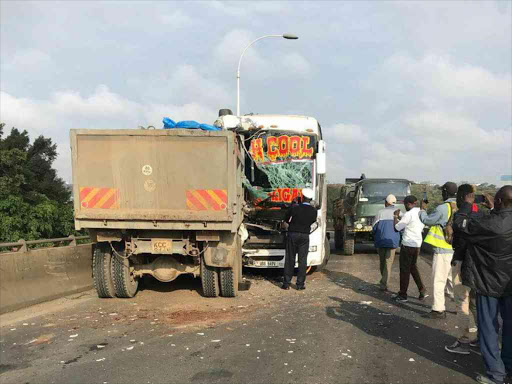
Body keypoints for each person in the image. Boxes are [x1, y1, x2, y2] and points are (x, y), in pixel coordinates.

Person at [453, 185, 512, 384]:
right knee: (509, 327)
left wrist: (467, 206)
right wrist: (495, 207)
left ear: (498, 201)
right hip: (509, 284)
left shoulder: (489, 223)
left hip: (489, 282)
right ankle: (509, 366)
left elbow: (460, 224)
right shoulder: (496, 219)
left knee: (489, 327)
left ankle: (496, 374)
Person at [445, 184, 479, 355]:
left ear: (463, 197)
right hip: (478, 265)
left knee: (462, 302)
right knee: (475, 303)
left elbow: (459, 228)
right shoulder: (481, 213)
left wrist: (464, 206)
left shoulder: (462, 214)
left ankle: (463, 341)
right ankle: (481, 339)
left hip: (462, 261)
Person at [419, 181, 458, 319]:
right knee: (452, 281)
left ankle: (438, 310)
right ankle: (461, 306)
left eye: (442, 191)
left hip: (443, 249)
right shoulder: (460, 206)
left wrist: (422, 210)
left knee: (439, 280)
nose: (441, 193)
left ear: (446, 192)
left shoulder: (443, 207)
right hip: (456, 250)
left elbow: (428, 221)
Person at [392, 195, 427, 302]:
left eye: (405, 205)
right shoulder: (421, 212)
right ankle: (422, 289)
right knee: (413, 267)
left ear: (408, 204)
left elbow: (397, 228)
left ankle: (403, 295)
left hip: (407, 244)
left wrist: (395, 217)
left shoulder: (408, 214)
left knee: (404, 270)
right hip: (417, 244)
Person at [282, 187, 318, 291]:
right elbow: (312, 222)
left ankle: (286, 284)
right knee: (302, 260)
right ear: (310, 199)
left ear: (302, 197)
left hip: (292, 234)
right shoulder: (313, 211)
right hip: (305, 236)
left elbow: (286, 220)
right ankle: (300, 285)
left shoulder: (294, 207)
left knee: (290, 259)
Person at [372, 194, 401, 292]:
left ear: (386, 203)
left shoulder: (380, 213)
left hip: (380, 241)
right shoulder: (399, 213)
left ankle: (383, 283)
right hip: (392, 242)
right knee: (388, 263)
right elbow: (402, 228)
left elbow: (374, 228)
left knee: (382, 262)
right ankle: (384, 283)